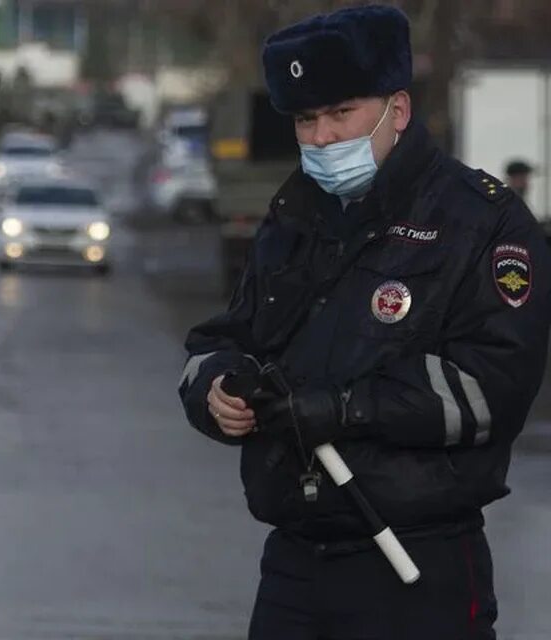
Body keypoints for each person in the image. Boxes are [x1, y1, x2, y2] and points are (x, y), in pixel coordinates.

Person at [178, 6, 551, 639]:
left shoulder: (481, 221)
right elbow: (226, 336)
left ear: (396, 112)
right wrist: (218, 388)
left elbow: (494, 386)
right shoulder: (293, 215)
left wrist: (344, 409)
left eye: (340, 114)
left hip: (417, 563)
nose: (321, 138)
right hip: (295, 563)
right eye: (305, 119)